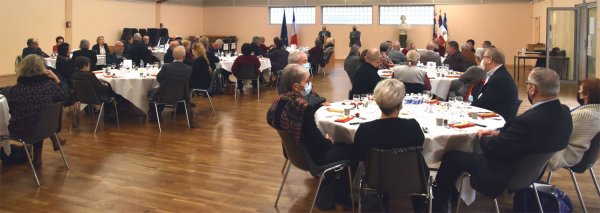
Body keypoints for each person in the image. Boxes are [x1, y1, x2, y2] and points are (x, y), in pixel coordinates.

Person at [431, 67, 573, 212]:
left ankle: (438, 204)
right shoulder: (564, 113)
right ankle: (451, 198)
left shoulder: (529, 121)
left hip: (506, 172)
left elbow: (496, 149)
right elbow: (523, 139)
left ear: (532, 89)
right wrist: (500, 134)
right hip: (530, 171)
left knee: (452, 158)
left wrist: (483, 137)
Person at [267, 64, 354, 210]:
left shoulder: (279, 101)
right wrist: (329, 140)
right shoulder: (302, 107)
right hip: (313, 159)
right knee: (350, 147)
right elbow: (318, 144)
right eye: (307, 82)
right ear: (296, 86)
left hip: (295, 155)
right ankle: (343, 196)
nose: (310, 84)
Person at [354, 79, 426, 212]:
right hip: (411, 179)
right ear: (400, 103)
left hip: (375, 179)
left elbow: (361, 155)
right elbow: (420, 146)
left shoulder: (365, 129)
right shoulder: (413, 127)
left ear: (377, 101)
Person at [8, 55, 66, 169]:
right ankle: (40, 155)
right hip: (46, 128)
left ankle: (38, 158)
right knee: (40, 117)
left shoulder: (16, 89)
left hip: (21, 129)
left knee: (32, 118)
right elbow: (63, 95)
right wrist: (56, 79)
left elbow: (11, 111)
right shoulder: (48, 85)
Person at [548, 78, 600, 171]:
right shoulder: (596, 113)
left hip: (562, 155)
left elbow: (558, 134)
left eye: (580, 91)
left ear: (586, 95)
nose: (579, 93)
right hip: (582, 156)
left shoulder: (584, 115)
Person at [472, 48, 519, 120]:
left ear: (489, 60)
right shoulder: (500, 73)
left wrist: (466, 109)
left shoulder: (498, 79)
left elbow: (482, 104)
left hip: (497, 119)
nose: (482, 61)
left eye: (484, 58)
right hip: (495, 113)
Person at [147, 46, 192, 121]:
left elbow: (159, 78)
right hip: (181, 96)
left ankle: (155, 116)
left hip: (164, 95)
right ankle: (157, 113)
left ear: (173, 55)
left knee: (151, 92)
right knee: (162, 92)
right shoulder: (188, 69)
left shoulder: (166, 67)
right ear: (184, 56)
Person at [71, 56, 119, 122]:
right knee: (111, 90)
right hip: (96, 97)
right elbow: (100, 88)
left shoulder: (74, 75)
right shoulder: (90, 75)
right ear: (86, 65)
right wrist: (106, 85)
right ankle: (110, 115)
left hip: (81, 97)